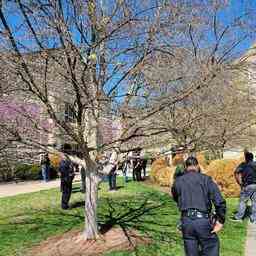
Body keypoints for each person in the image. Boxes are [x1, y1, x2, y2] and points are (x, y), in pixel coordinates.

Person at [171, 156, 226, 256]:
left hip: (186, 222)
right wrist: (220, 221)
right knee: (211, 248)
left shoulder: (178, 181)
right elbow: (220, 201)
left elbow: (175, 197)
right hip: (203, 222)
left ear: (185, 167)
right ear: (197, 166)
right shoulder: (206, 180)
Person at [233, 152, 256, 223]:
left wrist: (240, 183)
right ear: (252, 157)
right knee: (255, 202)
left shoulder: (243, 165)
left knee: (242, 201)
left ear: (246, 158)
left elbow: (236, 173)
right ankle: (253, 218)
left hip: (247, 185)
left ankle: (238, 217)